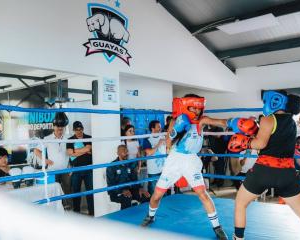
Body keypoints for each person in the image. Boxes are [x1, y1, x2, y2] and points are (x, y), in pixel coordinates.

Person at [141, 94, 257, 239]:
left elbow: (220, 122)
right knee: (157, 195)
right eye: (193, 108)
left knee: (203, 194)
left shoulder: (202, 121)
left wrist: (236, 122)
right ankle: (150, 216)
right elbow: (168, 144)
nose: (196, 112)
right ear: (185, 107)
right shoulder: (177, 120)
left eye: (199, 108)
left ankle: (217, 227)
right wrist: (176, 128)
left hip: (191, 161)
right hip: (174, 160)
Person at [227, 90, 300, 240]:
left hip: (264, 171)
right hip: (287, 173)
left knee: (240, 203)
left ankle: (238, 238)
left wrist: (245, 142)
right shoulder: (292, 122)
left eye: (265, 101)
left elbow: (261, 143)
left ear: (275, 101)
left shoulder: (268, 119)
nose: (264, 104)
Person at [34, 112, 71, 208]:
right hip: (53, 170)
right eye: (58, 128)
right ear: (54, 127)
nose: (60, 130)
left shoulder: (68, 138)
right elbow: (36, 150)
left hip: (65, 169)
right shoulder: (48, 138)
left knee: (67, 189)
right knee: (54, 191)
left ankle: (69, 208)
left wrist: (71, 165)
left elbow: (72, 152)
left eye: (62, 129)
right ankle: (57, 208)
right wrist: (45, 160)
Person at [107, 145, 150, 209]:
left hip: (130, 190)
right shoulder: (112, 166)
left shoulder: (129, 164)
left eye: (126, 151)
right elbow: (111, 184)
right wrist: (122, 191)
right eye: (123, 151)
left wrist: (140, 188)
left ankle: (144, 216)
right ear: (118, 153)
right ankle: (124, 218)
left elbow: (134, 179)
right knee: (127, 198)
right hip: (116, 192)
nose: (126, 152)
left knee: (145, 196)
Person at [66, 121, 94, 216]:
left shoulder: (89, 138)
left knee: (90, 192)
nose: (79, 131)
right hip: (76, 169)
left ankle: (92, 213)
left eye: (80, 129)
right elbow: (69, 153)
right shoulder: (70, 140)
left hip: (88, 168)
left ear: (83, 129)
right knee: (76, 193)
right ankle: (76, 214)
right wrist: (85, 150)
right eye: (77, 130)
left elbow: (89, 149)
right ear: (73, 130)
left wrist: (75, 152)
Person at [142, 120, 166, 195]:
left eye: (160, 127)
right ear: (152, 128)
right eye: (158, 127)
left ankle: (164, 206)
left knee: (163, 192)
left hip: (163, 169)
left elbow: (168, 148)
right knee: (154, 193)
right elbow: (150, 152)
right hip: (153, 171)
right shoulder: (147, 139)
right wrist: (159, 143)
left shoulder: (163, 136)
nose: (160, 128)